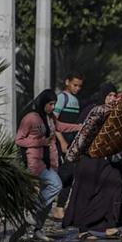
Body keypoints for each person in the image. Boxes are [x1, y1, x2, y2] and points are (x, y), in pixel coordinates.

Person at [63, 83, 122, 241]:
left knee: (115, 184)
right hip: (89, 158)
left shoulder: (116, 113)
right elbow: (84, 133)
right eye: (109, 95)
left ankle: (111, 226)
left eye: (114, 95)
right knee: (85, 192)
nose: (112, 99)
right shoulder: (96, 111)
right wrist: (73, 155)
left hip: (106, 159)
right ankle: (83, 229)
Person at [15, 89, 82, 242]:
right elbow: (18, 140)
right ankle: (31, 210)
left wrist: (79, 127)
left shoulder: (50, 118)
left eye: (54, 104)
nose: (53, 107)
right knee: (56, 185)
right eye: (50, 104)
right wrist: (39, 142)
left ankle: (38, 229)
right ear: (43, 103)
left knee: (49, 198)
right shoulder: (30, 118)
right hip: (35, 162)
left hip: (51, 162)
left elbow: (61, 127)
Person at [52, 71, 84, 221]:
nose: (77, 88)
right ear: (67, 82)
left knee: (70, 174)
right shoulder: (61, 98)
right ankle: (57, 206)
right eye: (74, 85)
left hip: (71, 143)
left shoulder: (75, 100)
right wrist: (62, 141)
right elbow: (54, 122)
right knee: (65, 174)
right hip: (62, 143)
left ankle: (60, 207)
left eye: (79, 86)